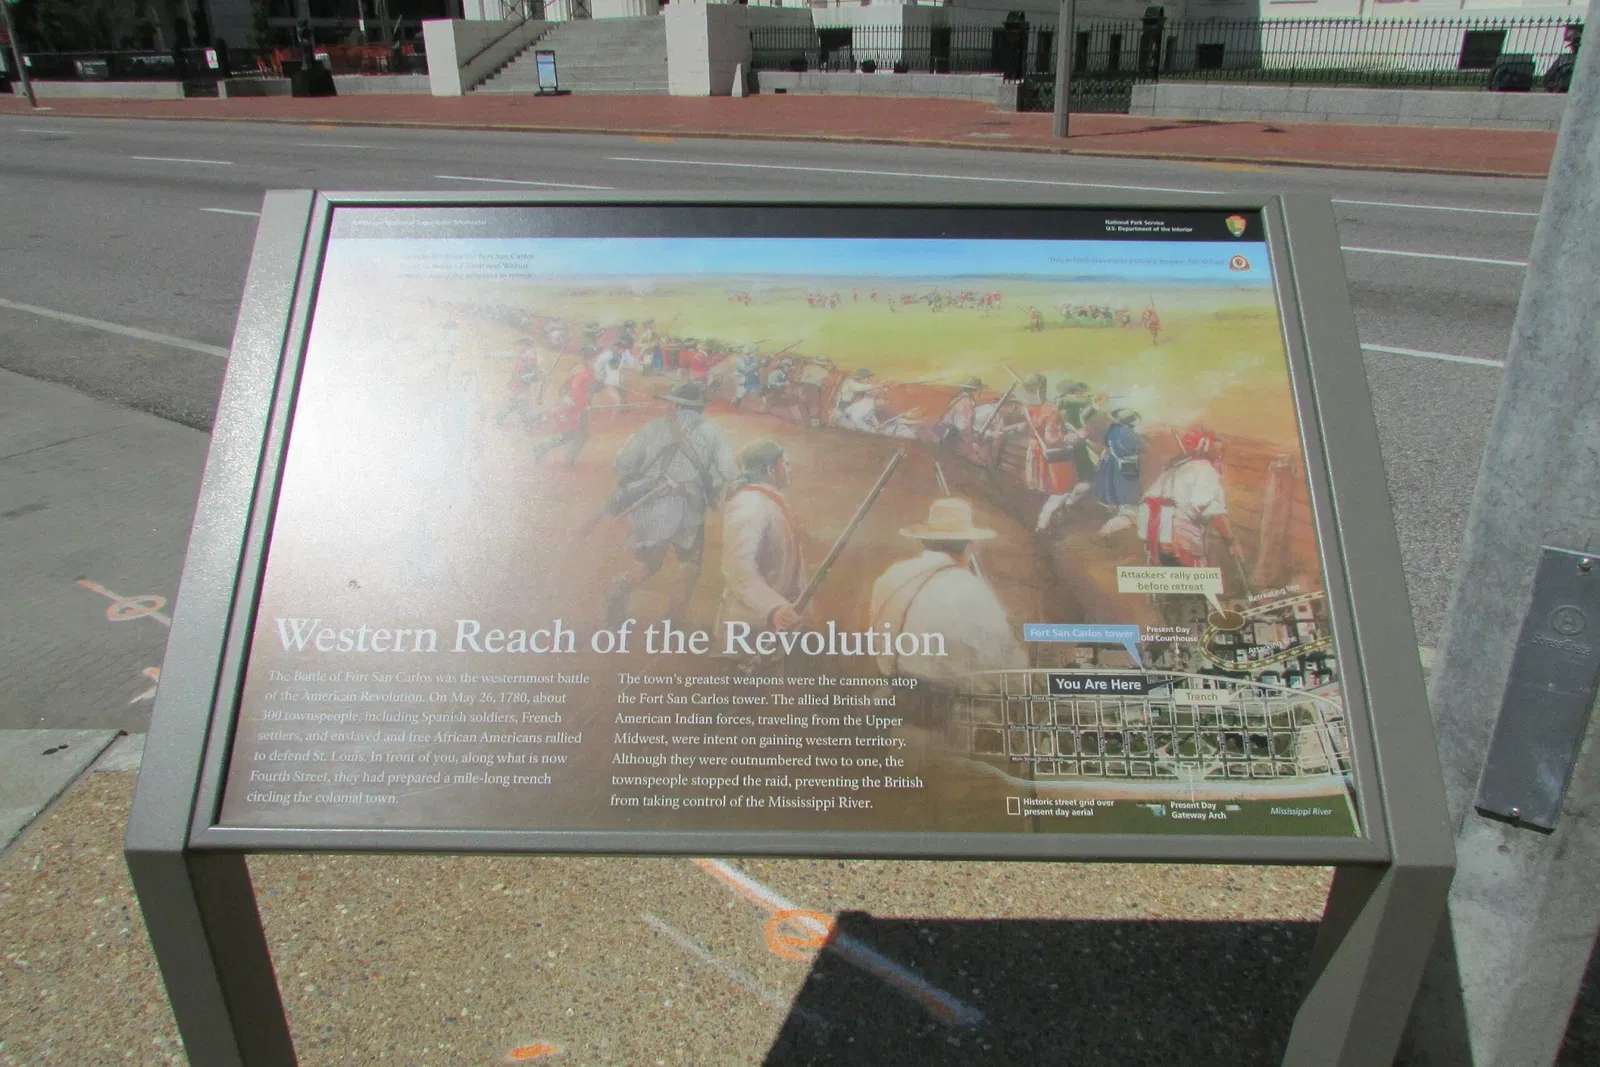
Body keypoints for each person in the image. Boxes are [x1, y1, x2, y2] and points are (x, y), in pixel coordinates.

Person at [604, 381, 737, 627]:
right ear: (700, 408)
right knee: (689, 563)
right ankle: (675, 619)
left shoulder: (651, 428)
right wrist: (711, 485)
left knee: (646, 563)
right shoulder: (715, 432)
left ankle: (620, 586)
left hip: (651, 503)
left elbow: (622, 464)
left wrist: (648, 476)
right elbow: (729, 471)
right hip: (689, 507)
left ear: (674, 405)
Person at [868, 498, 1027, 692]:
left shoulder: (891, 576)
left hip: (894, 697)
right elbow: (1006, 665)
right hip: (950, 709)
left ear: (925, 540)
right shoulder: (970, 588)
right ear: (969, 546)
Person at [718, 440, 805, 632]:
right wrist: (773, 608)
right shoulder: (749, 504)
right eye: (786, 464)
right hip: (748, 626)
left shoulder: (768, 501)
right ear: (770, 470)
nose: (790, 469)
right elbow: (738, 567)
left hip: (775, 623)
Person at [1137, 427, 1244, 568]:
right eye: (1216, 452)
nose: (1219, 457)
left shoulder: (1176, 467)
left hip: (1154, 532)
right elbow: (1216, 513)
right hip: (1178, 534)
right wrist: (1232, 543)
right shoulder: (1205, 471)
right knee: (1191, 579)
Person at [1023, 375, 1090, 531]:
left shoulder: (1027, 408)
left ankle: (1052, 518)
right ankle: (1043, 524)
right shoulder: (1050, 410)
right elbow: (1053, 439)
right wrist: (1076, 437)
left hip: (1035, 452)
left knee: (1057, 490)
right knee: (1062, 491)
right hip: (1054, 456)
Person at [532, 349, 597, 466]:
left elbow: (568, 387)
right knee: (579, 434)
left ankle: (543, 447)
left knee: (572, 434)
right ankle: (568, 459)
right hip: (576, 406)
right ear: (592, 357)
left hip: (572, 404)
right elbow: (576, 390)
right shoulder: (585, 372)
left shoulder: (579, 368)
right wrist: (584, 405)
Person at [1095, 408, 1146, 539]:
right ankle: (1105, 532)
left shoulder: (1113, 430)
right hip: (1127, 468)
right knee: (1130, 503)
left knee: (1124, 502)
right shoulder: (1126, 432)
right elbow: (1139, 447)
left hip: (1116, 467)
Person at [496, 337, 545, 430]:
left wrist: (523, 378)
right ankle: (530, 421)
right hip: (517, 383)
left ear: (526, 345)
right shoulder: (523, 354)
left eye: (521, 345)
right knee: (516, 404)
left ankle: (530, 421)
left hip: (522, 384)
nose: (518, 347)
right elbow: (508, 355)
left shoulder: (530, 356)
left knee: (518, 404)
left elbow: (534, 372)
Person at [932, 377, 982, 449]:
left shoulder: (959, 398)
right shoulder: (967, 402)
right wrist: (972, 443)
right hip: (949, 437)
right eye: (979, 390)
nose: (980, 392)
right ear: (975, 390)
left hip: (943, 434)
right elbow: (964, 427)